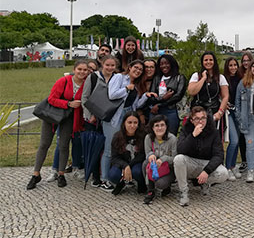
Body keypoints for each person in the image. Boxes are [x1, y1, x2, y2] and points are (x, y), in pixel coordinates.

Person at [27, 60, 89, 190]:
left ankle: (61, 173)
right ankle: (36, 174)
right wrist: (67, 104)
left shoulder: (86, 84)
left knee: (63, 145)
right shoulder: (64, 81)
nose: (82, 72)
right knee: (44, 144)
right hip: (52, 115)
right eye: (80, 69)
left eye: (85, 70)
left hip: (69, 117)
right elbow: (52, 98)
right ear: (74, 69)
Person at [100, 60, 157, 192]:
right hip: (114, 117)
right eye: (135, 68)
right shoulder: (119, 77)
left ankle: (126, 175)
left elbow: (135, 105)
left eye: (140, 70)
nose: (137, 71)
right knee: (109, 148)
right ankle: (105, 179)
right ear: (129, 67)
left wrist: (145, 96)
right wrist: (126, 89)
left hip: (127, 116)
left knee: (124, 146)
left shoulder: (136, 85)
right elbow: (112, 94)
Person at [174, 106, 229, 206]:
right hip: (191, 163)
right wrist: (193, 136)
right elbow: (180, 150)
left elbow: (219, 155)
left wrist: (207, 171)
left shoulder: (213, 132)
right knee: (178, 159)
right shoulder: (186, 130)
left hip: (206, 163)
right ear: (191, 120)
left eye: (203, 118)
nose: (200, 121)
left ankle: (205, 182)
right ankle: (183, 191)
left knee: (224, 173)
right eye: (197, 119)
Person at [81, 55, 118, 187]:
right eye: (107, 65)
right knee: (94, 147)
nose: (109, 68)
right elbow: (84, 98)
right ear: (102, 64)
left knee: (107, 147)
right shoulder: (93, 77)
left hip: (109, 118)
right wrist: (91, 115)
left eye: (112, 65)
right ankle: (94, 175)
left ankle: (106, 175)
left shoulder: (116, 78)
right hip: (93, 118)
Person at [108, 111, 146, 195]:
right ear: (124, 123)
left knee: (137, 171)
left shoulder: (143, 135)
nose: (132, 126)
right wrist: (125, 166)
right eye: (129, 122)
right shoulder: (117, 136)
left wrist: (129, 166)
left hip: (137, 163)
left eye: (135, 122)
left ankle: (141, 183)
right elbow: (114, 158)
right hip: (122, 163)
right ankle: (121, 183)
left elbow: (143, 155)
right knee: (113, 175)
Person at [187, 51, 229, 127]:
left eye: (210, 60)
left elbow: (225, 96)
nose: (208, 62)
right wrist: (203, 78)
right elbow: (191, 91)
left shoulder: (221, 78)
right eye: (206, 60)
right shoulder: (196, 76)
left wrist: (220, 112)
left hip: (214, 112)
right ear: (202, 62)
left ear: (214, 62)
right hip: (197, 112)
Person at [143, 115, 177, 204]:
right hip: (154, 166)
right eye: (157, 125)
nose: (160, 128)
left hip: (168, 168)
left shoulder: (172, 139)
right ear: (152, 128)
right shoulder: (148, 138)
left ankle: (167, 186)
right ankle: (150, 190)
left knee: (160, 184)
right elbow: (148, 152)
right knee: (146, 163)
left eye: (162, 125)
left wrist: (164, 159)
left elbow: (175, 158)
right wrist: (150, 155)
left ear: (166, 127)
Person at [149, 55, 187, 135]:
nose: (164, 66)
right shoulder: (157, 78)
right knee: (155, 136)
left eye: (166, 63)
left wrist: (159, 104)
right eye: (161, 64)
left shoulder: (179, 78)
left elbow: (177, 96)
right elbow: (152, 97)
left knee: (170, 136)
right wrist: (163, 98)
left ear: (172, 64)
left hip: (171, 111)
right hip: (156, 111)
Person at [223, 57, 243, 180]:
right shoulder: (224, 79)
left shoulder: (240, 78)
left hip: (238, 112)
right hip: (228, 112)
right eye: (230, 65)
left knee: (237, 141)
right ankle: (227, 167)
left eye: (235, 65)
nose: (233, 68)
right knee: (234, 140)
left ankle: (233, 165)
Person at [236, 51, 254, 172]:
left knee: (253, 138)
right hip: (241, 110)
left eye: (248, 60)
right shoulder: (239, 75)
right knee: (242, 136)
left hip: (253, 111)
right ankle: (244, 161)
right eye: (244, 61)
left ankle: (252, 161)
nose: (246, 62)